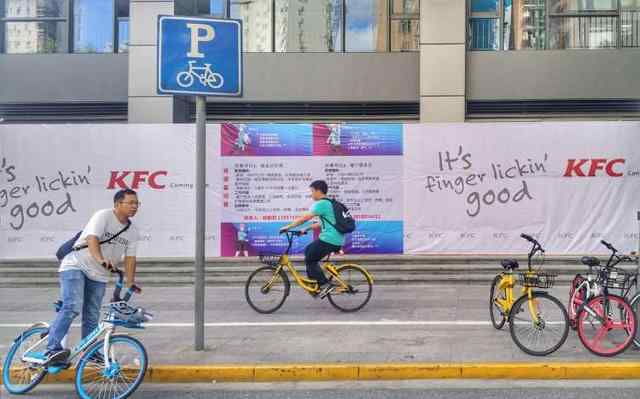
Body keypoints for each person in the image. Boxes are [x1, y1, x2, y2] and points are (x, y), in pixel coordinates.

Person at [44, 189, 141, 365]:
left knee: (92, 315)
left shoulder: (132, 231)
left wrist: (130, 282)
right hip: (76, 265)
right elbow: (92, 239)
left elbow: (130, 258)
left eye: (137, 203)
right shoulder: (103, 216)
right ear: (118, 204)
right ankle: (52, 349)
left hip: (100, 274)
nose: (135, 206)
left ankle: (89, 352)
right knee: (72, 306)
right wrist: (101, 259)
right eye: (131, 203)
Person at [279, 180, 344, 298]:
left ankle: (324, 285)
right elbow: (322, 223)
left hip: (330, 239)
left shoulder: (321, 203)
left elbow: (305, 218)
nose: (311, 194)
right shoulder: (329, 203)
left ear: (318, 191)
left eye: (312, 191)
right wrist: (306, 229)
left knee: (310, 255)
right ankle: (315, 286)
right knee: (310, 253)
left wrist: (288, 227)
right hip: (335, 239)